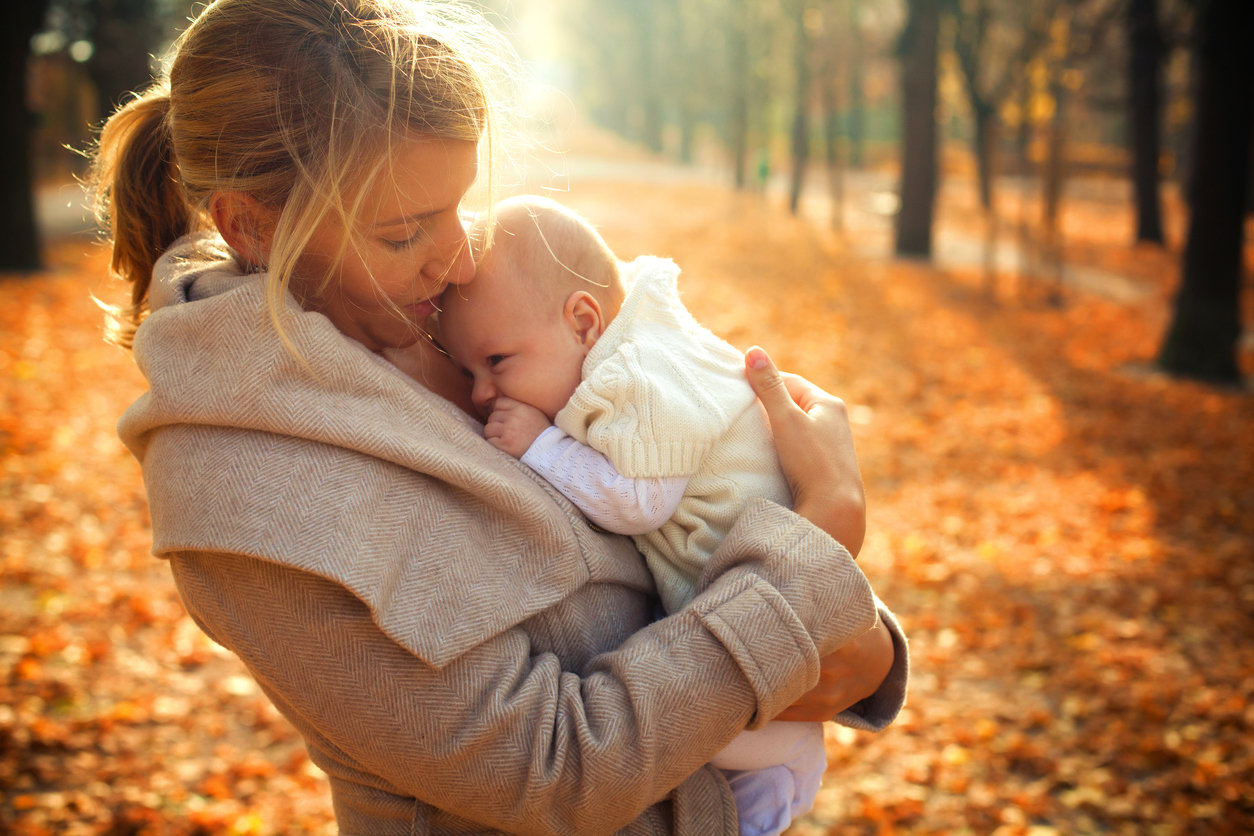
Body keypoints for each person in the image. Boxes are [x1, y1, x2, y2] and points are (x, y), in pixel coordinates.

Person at [90, 0, 908, 833]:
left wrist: (859, 637)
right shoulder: (242, 495)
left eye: (459, 203)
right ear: (250, 225)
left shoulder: (475, 290)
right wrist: (822, 540)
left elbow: (695, 483)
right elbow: (552, 774)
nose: (459, 254)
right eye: (407, 230)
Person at [439, 195, 842, 836]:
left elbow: (639, 502)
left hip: (768, 619)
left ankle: (776, 785)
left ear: (583, 321)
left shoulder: (636, 377)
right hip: (758, 606)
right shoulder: (629, 343)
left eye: (495, 362)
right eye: (466, 370)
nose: (481, 393)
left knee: (710, 749)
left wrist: (542, 446)